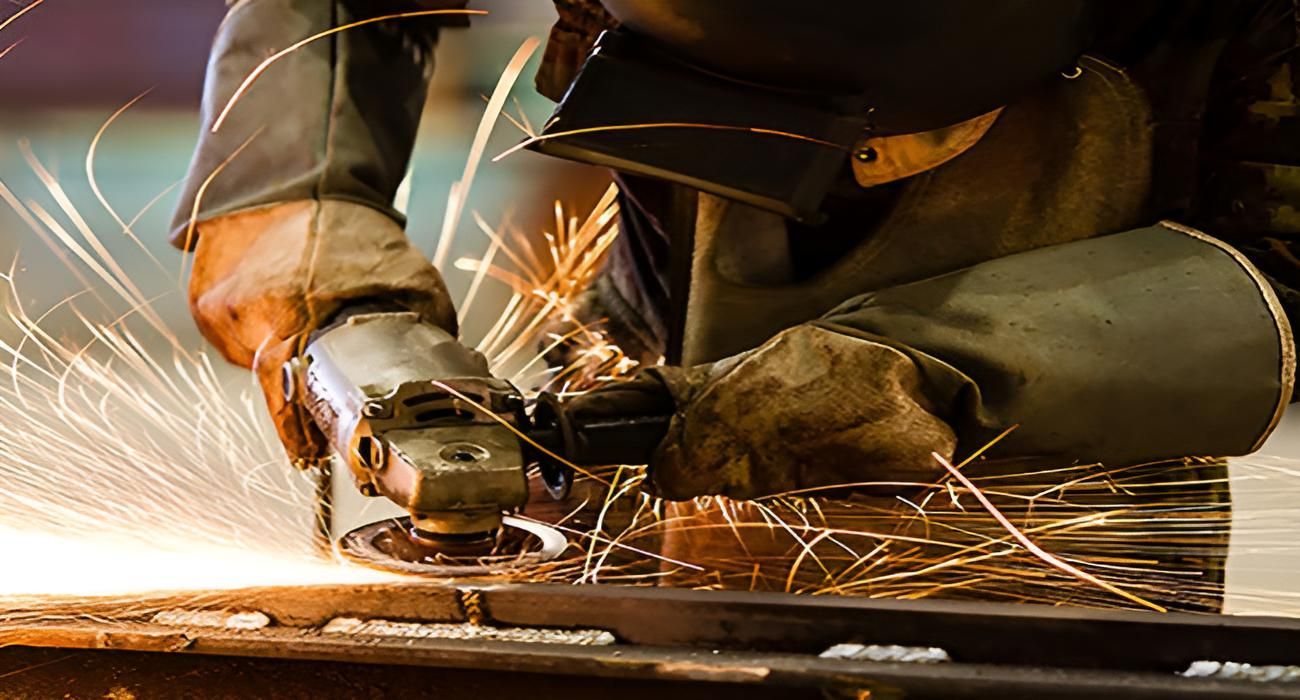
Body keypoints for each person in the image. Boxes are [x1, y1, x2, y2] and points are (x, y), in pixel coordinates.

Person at [175, 1, 1299, 502]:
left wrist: (938, 366)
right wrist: (300, 213)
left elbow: (1286, 275)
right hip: (646, 340)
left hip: (1071, 474)